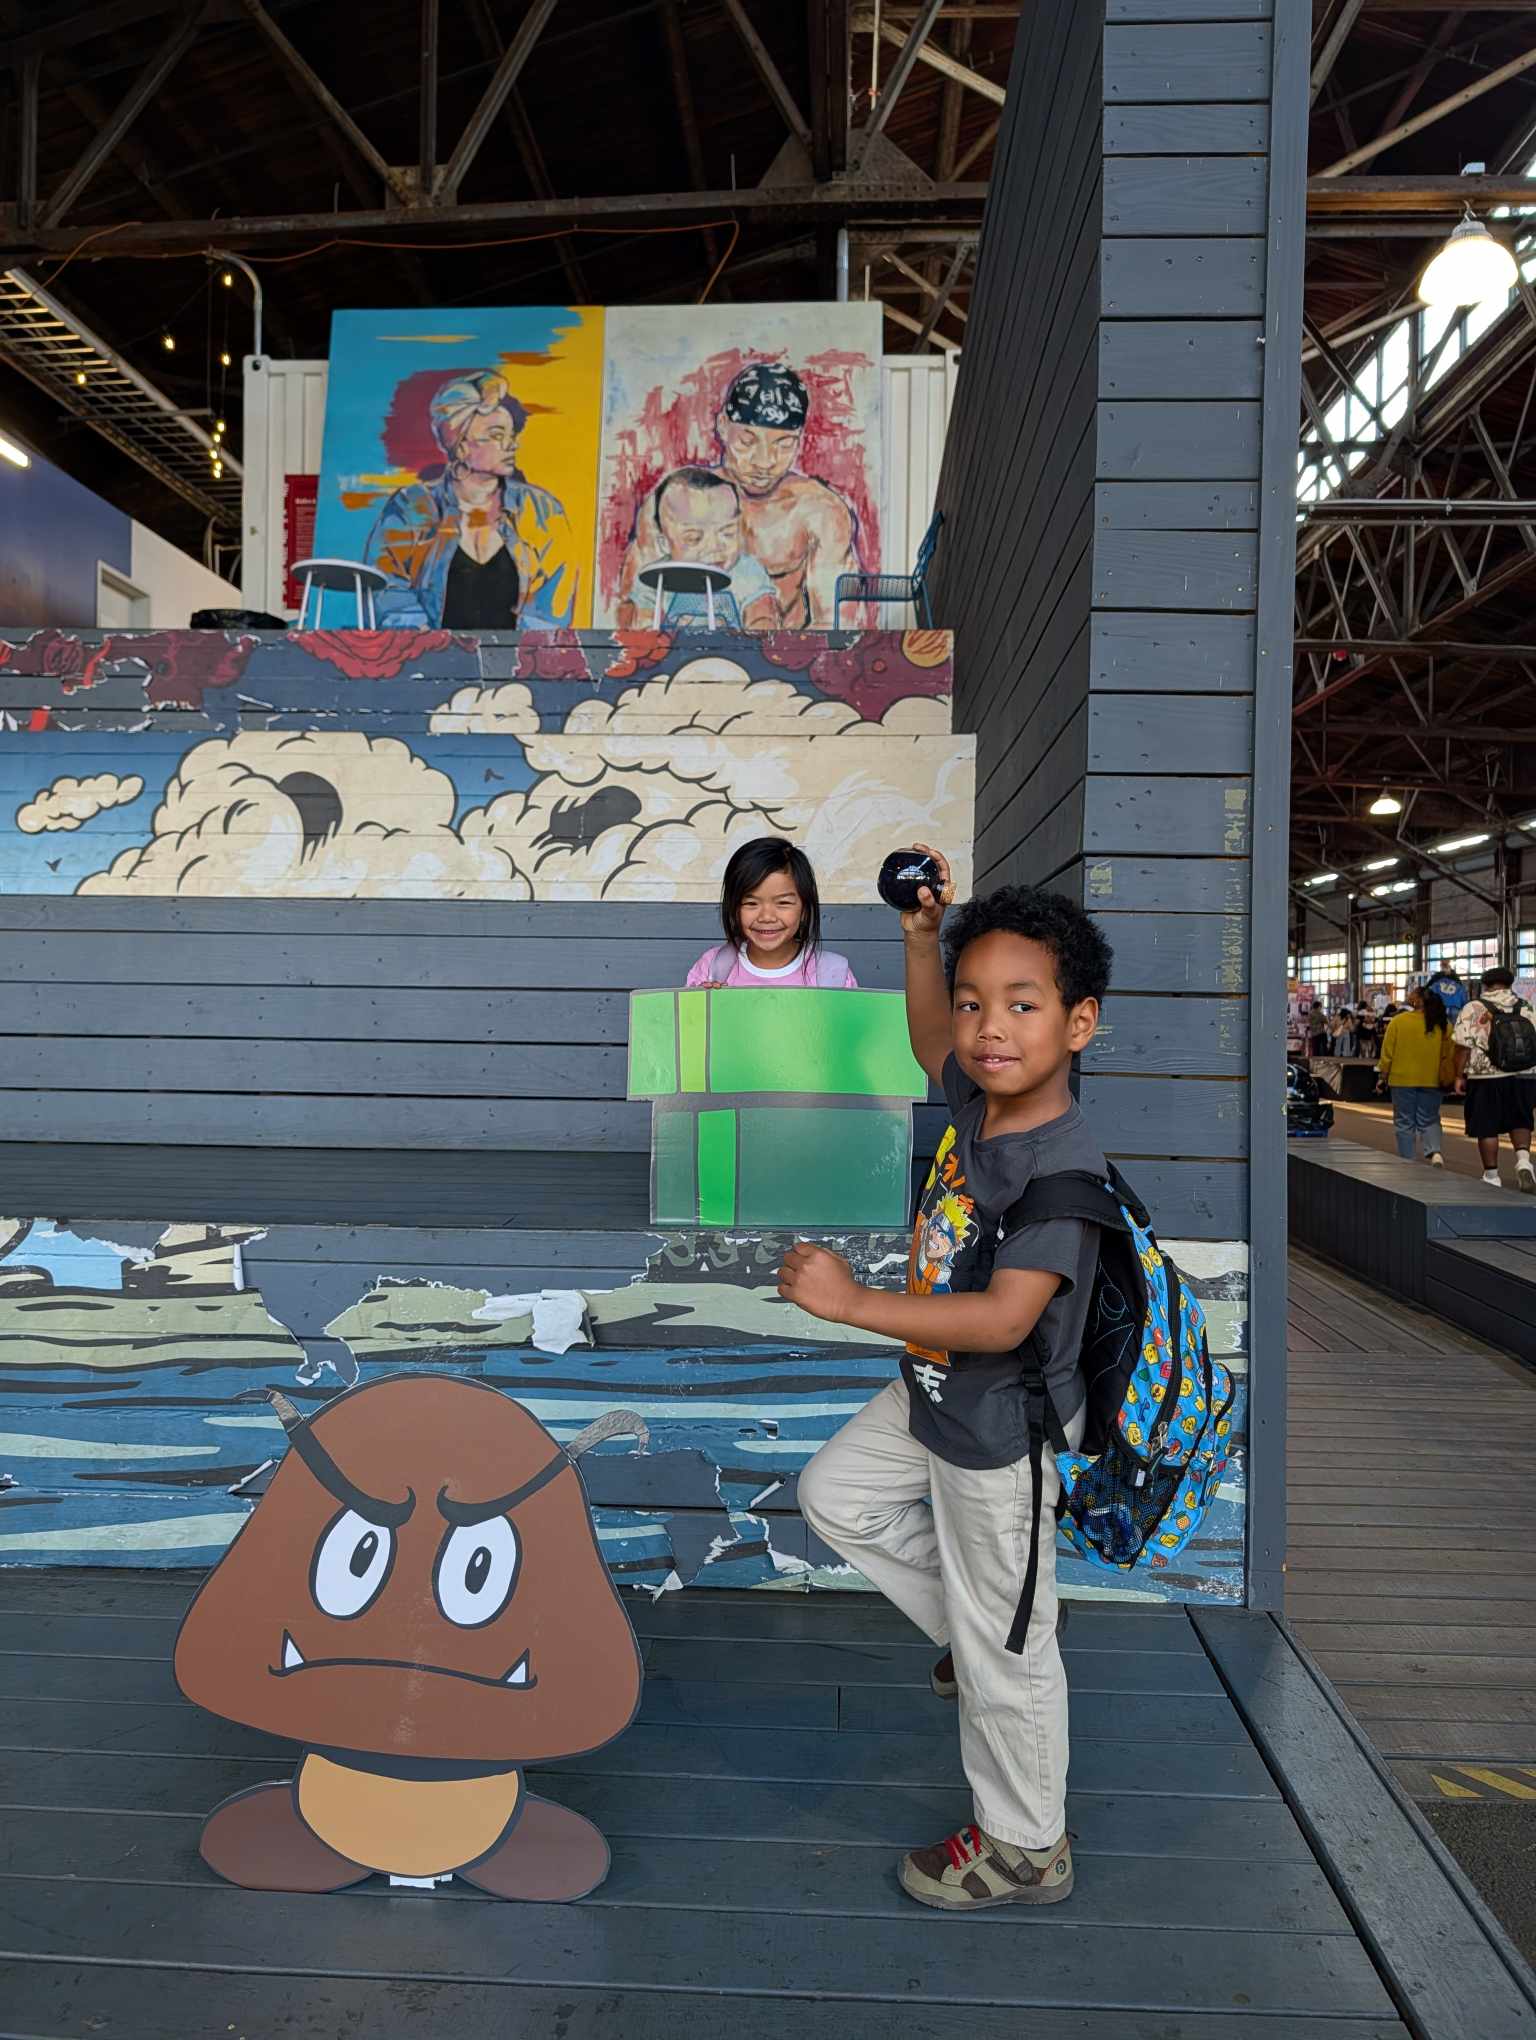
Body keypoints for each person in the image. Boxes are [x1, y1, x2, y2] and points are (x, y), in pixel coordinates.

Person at [780, 848, 1111, 1912]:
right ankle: (984, 1637)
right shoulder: (981, 1099)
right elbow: (930, 1038)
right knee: (837, 1496)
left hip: (1001, 1432)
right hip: (932, 1394)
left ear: (1079, 1023)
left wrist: (852, 1305)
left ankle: (1025, 1847)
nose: (987, 1028)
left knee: (1012, 1652)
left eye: (1022, 1004)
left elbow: (1005, 1317)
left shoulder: (1060, 1172)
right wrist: (923, 942)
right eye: (977, 1003)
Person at [616, 362, 861, 628]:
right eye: (747, 441)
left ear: (799, 439)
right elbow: (633, 609)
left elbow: (833, 623)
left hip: (777, 651)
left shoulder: (821, 512)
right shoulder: (674, 502)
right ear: (723, 426)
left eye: (784, 444)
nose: (765, 462)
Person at [367, 371, 580, 629]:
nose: (512, 445)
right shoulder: (410, 508)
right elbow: (387, 591)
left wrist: (520, 652)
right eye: (497, 435)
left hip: (519, 656)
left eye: (512, 435)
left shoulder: (542, 511)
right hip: (429, 653)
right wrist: (429, 645)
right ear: (461, 446)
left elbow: (550, 614)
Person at [686, 837, 857, 989]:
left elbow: (850, 1017)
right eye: (751, 903)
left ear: (804, 909)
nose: (767, 917)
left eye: (783, 903)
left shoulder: (834, 976)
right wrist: (705, 1002)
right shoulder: (712, 969)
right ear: (733, 908)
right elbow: (689, 1016)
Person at [639, 468, 779, 631]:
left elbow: (763, 617)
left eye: (727, 533)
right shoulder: (655, 577)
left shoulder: (747, 572)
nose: (714, 547)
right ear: (664, 544)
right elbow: (641, 622)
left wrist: (759, 628)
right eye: (694, 538)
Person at [1453, 965, 1536, 1190]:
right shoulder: (1526, 1006)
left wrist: (1459, 1075)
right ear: (1510, 984)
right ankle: (1523, 1162)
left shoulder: (1473, 1008)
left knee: (1486, 1125)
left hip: (1485, 1076)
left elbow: (1462, 1046)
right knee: (1521, 1119)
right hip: (1524, 1074)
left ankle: (1491, 1175)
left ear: (1485, 985)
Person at [1377, 986, 1453, 1167]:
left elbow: (1387, 1053)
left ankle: (1408, 1160)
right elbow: (1450, 1054)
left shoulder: (1399, 1021)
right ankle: (1435, 1152)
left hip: (1401, 1079)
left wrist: (1383, 1076)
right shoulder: (1444, 1024)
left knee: (1404, 1121)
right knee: (1430, 1118)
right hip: (1433, 1080)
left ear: (1417, 1000)